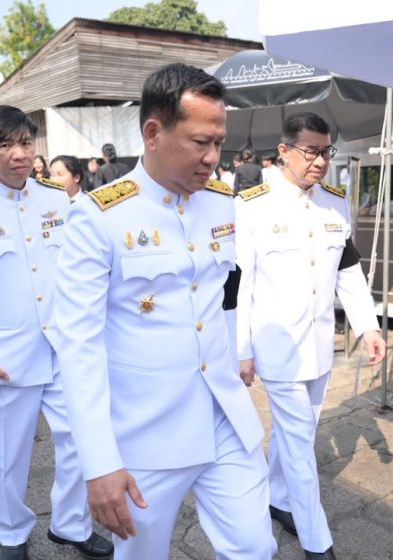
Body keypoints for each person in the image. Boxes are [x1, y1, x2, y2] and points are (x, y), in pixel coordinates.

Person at [52, 63, 276, 560]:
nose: (213, 157)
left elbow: (221, 298)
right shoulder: (99, 217)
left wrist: (239, 352)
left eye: (219, 142)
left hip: (223, 417)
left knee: (255, 547)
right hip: (146, 435)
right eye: (200, 142)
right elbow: (78, 345)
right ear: (153, 133)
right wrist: (99, 462)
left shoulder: (220, 203)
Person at [0, 105, 113, 560]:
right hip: (2, 358)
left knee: (81, 441)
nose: (19, 154)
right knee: (4, 456)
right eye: (5, 144)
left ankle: (71, 524)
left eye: (26, 143)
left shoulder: (55, 197)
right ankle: (11, 532)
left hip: (62, 348)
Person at [234, 112, 386, 560]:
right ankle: (317, 540)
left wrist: (368, 325)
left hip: (319, 346)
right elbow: (240, 285)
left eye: (326, 152)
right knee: (300, 443)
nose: (320, 161)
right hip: (276, 346)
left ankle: (277, 498)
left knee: (297, 433)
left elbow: (347, 271)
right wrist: (241, 349)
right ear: (284, 151)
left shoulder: (335, 203)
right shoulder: (252, 205)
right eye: (311, 151)